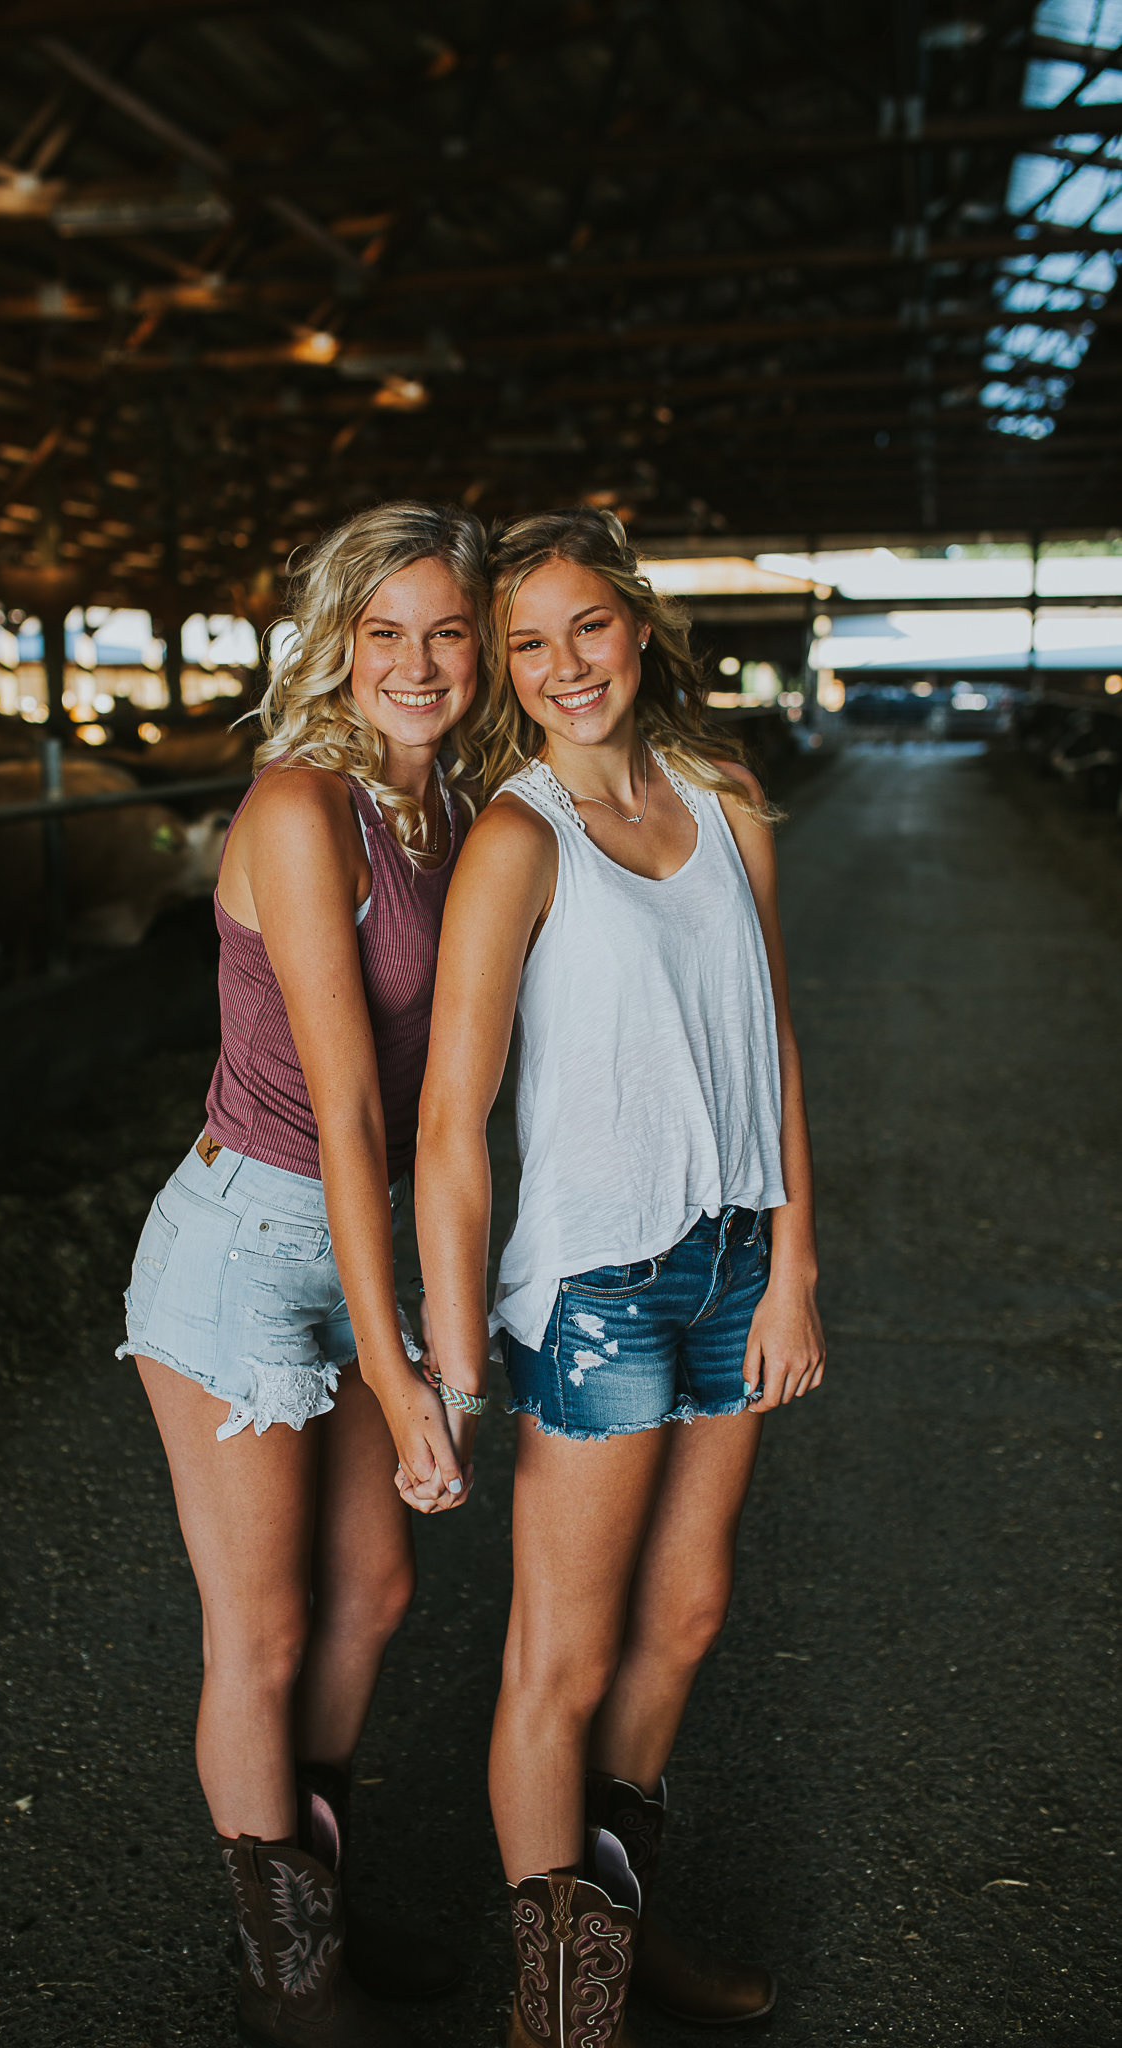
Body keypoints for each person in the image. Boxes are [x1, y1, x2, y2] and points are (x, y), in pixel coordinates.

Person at [414, 507, 825, 2045]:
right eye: (524, 644)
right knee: (562, 1652)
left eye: (584, 626)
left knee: (690, 1609)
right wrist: (456, 1367)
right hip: (597, 1287)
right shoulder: (517, 837)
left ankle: (620, 1929)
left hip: (730, 1261)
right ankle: (558, 2011)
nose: (560, 665)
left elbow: (771, 1039)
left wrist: (791, 1263)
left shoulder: (724, 798)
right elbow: (451, 1127)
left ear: (637, 627)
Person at [119, 501, 487, 2047]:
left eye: (446, 632)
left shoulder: (456, 811)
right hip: (245, 1246)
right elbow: (343, 1103)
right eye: (382, 630)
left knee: (379, 1592)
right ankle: (288, 1979)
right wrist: (402, 1371)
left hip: (357, 1232)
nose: (415, 662)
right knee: (261, 1631)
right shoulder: (297, 805)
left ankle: (312, 1890)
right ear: (334, 642)